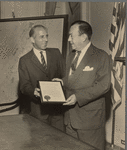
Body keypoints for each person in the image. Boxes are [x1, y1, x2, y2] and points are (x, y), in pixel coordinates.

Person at [53, 20, 111, 149]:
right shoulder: (71, 56)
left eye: (71, 36)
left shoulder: (101, 56)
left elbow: (104, 85)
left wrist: (78, 97)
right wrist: (62, 81)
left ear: (84, 37)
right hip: (69, 118)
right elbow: (72, 78)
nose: (69, 39)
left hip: (90, 120)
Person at [18, 25, 65, 131]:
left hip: (57, 109)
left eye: (47, 36)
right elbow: (24, 86)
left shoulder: (56, 53)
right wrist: (34, 91)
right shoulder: (24, 60)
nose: (46, 40)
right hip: (38, 110)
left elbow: (65, 74)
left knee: (61, 141)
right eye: (42, 37)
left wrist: (62, 82)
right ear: (32, 39)